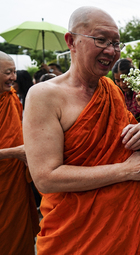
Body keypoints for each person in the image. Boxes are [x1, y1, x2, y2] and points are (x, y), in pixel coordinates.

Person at [23, 6, 140, 255]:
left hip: (126, 226)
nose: (111, 50)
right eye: (101, 40)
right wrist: (124, 171)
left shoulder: (111, 89)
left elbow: (126, 140)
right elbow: (46, 177)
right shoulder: (44, 95)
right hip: (76, 235)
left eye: (116, 43)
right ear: (71, 41)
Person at [0, 51, 40, 255]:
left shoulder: (11, 98)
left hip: (16, 178)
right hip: (2, 182)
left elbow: (19, 129)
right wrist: (14, 152)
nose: (13, 77)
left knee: (20, 235)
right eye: (8, 72)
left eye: (14, 72)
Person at [112, 58, 140, 127]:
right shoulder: (123, 94)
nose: (122, 84)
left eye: (124, 79)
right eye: (118, 81)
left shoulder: (139, 93)